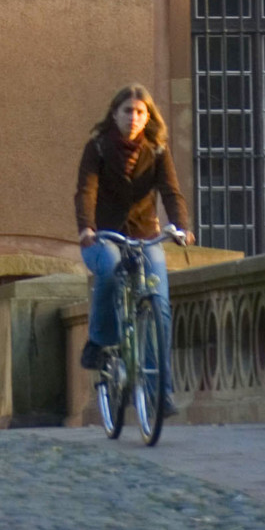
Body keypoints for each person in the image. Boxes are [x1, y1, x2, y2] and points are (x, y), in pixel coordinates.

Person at [76, 83, 194, 416]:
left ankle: (161, 393)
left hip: (145, 236)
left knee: (159, 303)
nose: (134, 118)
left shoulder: (157, 149)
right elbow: (85, 191)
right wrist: (86, 226)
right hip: (103, 237)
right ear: (114, 114)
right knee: (110, 270)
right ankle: (101, 343)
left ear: (149, 116)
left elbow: (171, 191)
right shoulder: (97, 148)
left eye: (141, 112)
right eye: (128, 111)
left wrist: (181, 226)